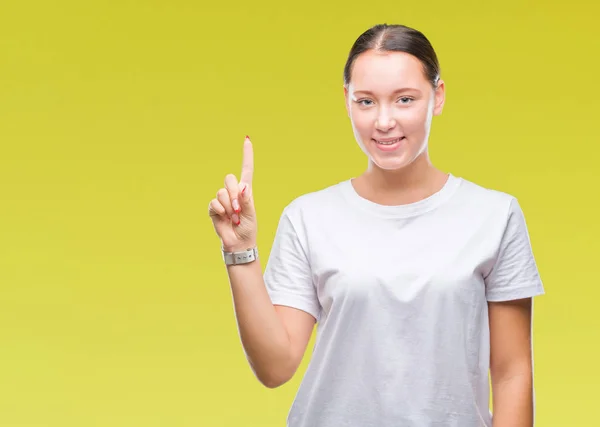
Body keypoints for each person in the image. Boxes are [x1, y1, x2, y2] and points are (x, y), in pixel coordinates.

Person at [208, 23, 544, 427]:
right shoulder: (309, 217)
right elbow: (275, 367)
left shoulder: (494, 216)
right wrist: (238, 252)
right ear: (346, 101)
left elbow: (511, 375)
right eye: (366, 102)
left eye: (404, 99)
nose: (384, 121)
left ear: (437, 97)